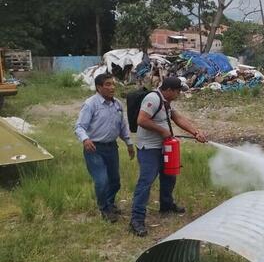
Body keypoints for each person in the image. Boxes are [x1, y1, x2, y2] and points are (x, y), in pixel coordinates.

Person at [130, 76, 207, 237]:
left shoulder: (166, 102)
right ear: (170, 90)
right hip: (149, 149)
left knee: (169, 177)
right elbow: (141, 120)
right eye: (178, 91)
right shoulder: (152, 98)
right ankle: (136, 220)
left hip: (164, 147)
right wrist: (162, 131)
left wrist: (195, 132)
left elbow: (177, 118)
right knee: (146, 182)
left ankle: (166, 205)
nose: (179, 94)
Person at [75, 73, 135, 223]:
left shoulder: (117, 105)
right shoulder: (91, 104)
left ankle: (109, 203)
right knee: (102, 181)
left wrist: (129, 143)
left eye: (113, 84)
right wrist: (85, 139)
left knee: (115, 181)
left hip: (111, 148)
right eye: (108, 84)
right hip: (94, 148)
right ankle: (104, 209)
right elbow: (80, 126)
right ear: (98, 87)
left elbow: (122, 126)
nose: (112, 87)